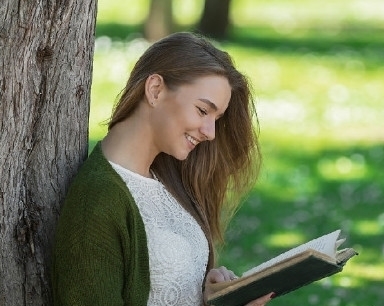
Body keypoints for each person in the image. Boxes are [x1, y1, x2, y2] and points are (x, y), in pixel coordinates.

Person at [51, 32, 274, 306]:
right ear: (155, 89)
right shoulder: (97, 199)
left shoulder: (167, 176)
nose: (211, 132)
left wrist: (211, 295)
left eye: (217, 118)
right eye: (203, 111)